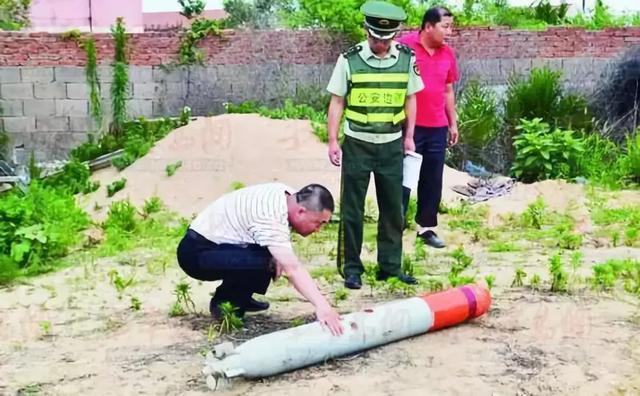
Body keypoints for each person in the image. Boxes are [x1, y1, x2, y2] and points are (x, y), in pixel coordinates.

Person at [326, 0, 424, 290]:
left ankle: (390, 268)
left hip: (392, 145)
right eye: (375, 38)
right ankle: (351, 269)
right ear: (367, 31)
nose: (380, 44)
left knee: (393, 209)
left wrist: (409, 136)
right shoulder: (348, 59)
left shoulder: (407, 58)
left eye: (386, 39)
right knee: (352, 209)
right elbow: (337, 101)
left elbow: (410, 98)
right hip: (357, 143)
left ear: (395, 35)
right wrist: (333, 140)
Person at [176, 182, 344, 336]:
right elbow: (292, 268)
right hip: (196, 253)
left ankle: (241, 297)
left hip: (220, 245)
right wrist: (323, 306)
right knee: (266, 261)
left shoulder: (288, 196)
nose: (318, 229)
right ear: (301, 211)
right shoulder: (269, 216)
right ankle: (225, 304)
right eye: (318, 223)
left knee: (271, 254)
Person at [398, 6, 459, 249]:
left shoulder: (447, 53)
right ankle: (395, 223)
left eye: (450, 26)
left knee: (432, 179)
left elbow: (448, 90)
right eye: (445, 26)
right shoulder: (404, 47)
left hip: (437, 126)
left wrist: (452, 122)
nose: (449, 32)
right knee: (401, 177)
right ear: (428, 26)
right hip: (407, 125)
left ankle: (426, 227)